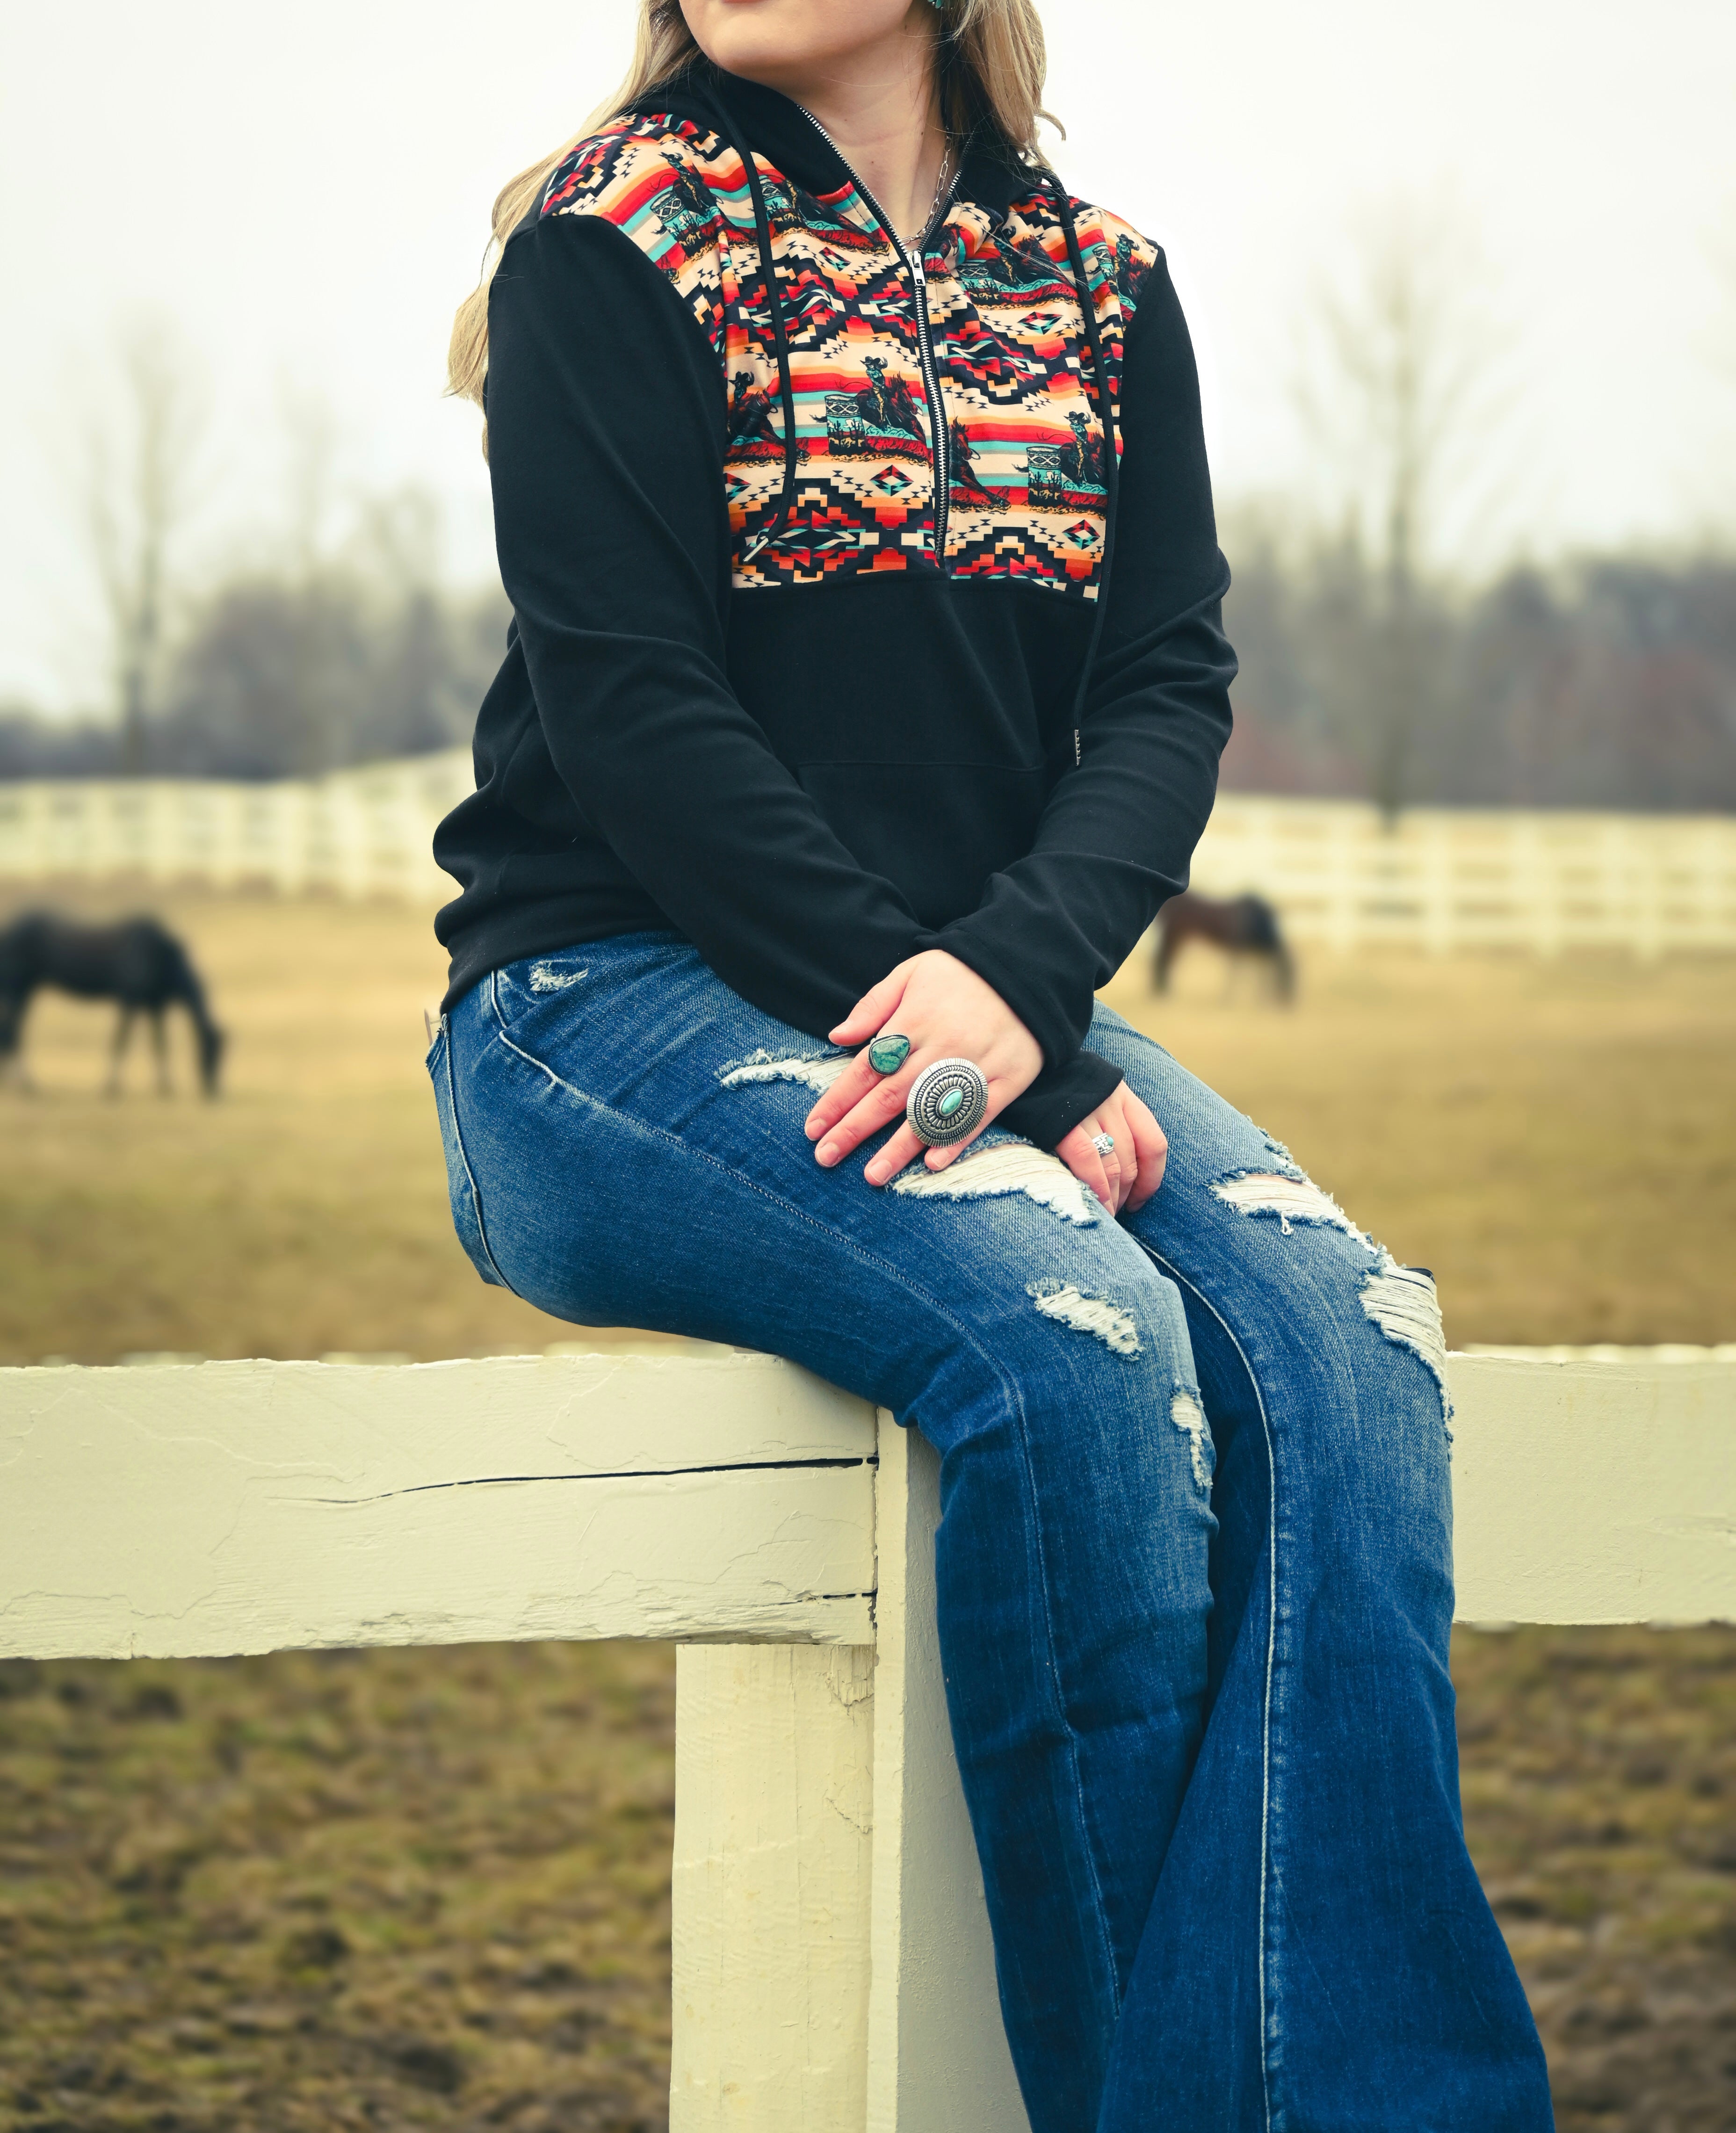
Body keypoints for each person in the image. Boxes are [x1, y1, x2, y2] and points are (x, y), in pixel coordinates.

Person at [428, 3, 1553, 2126]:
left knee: (1354, 1341)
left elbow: (1166, 685)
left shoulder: (1102, 285)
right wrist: (1006, 1066)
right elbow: (638, 712)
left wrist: (1021, 1000)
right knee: (1076, 1337)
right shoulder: (611, 239)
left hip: (985, 1005)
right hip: (596, 1011)